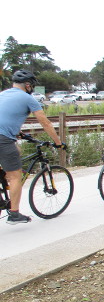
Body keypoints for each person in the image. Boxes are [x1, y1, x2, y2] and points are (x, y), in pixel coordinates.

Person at [0, 70, 67, 225]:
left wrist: (20, 133)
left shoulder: (3, 94)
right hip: (3, 139)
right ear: (28, 85)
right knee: (15, 176)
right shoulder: (28, 98)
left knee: (15, 151)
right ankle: (14, 214)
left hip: (5, 137)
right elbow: (45, 123)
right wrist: (58, 142)